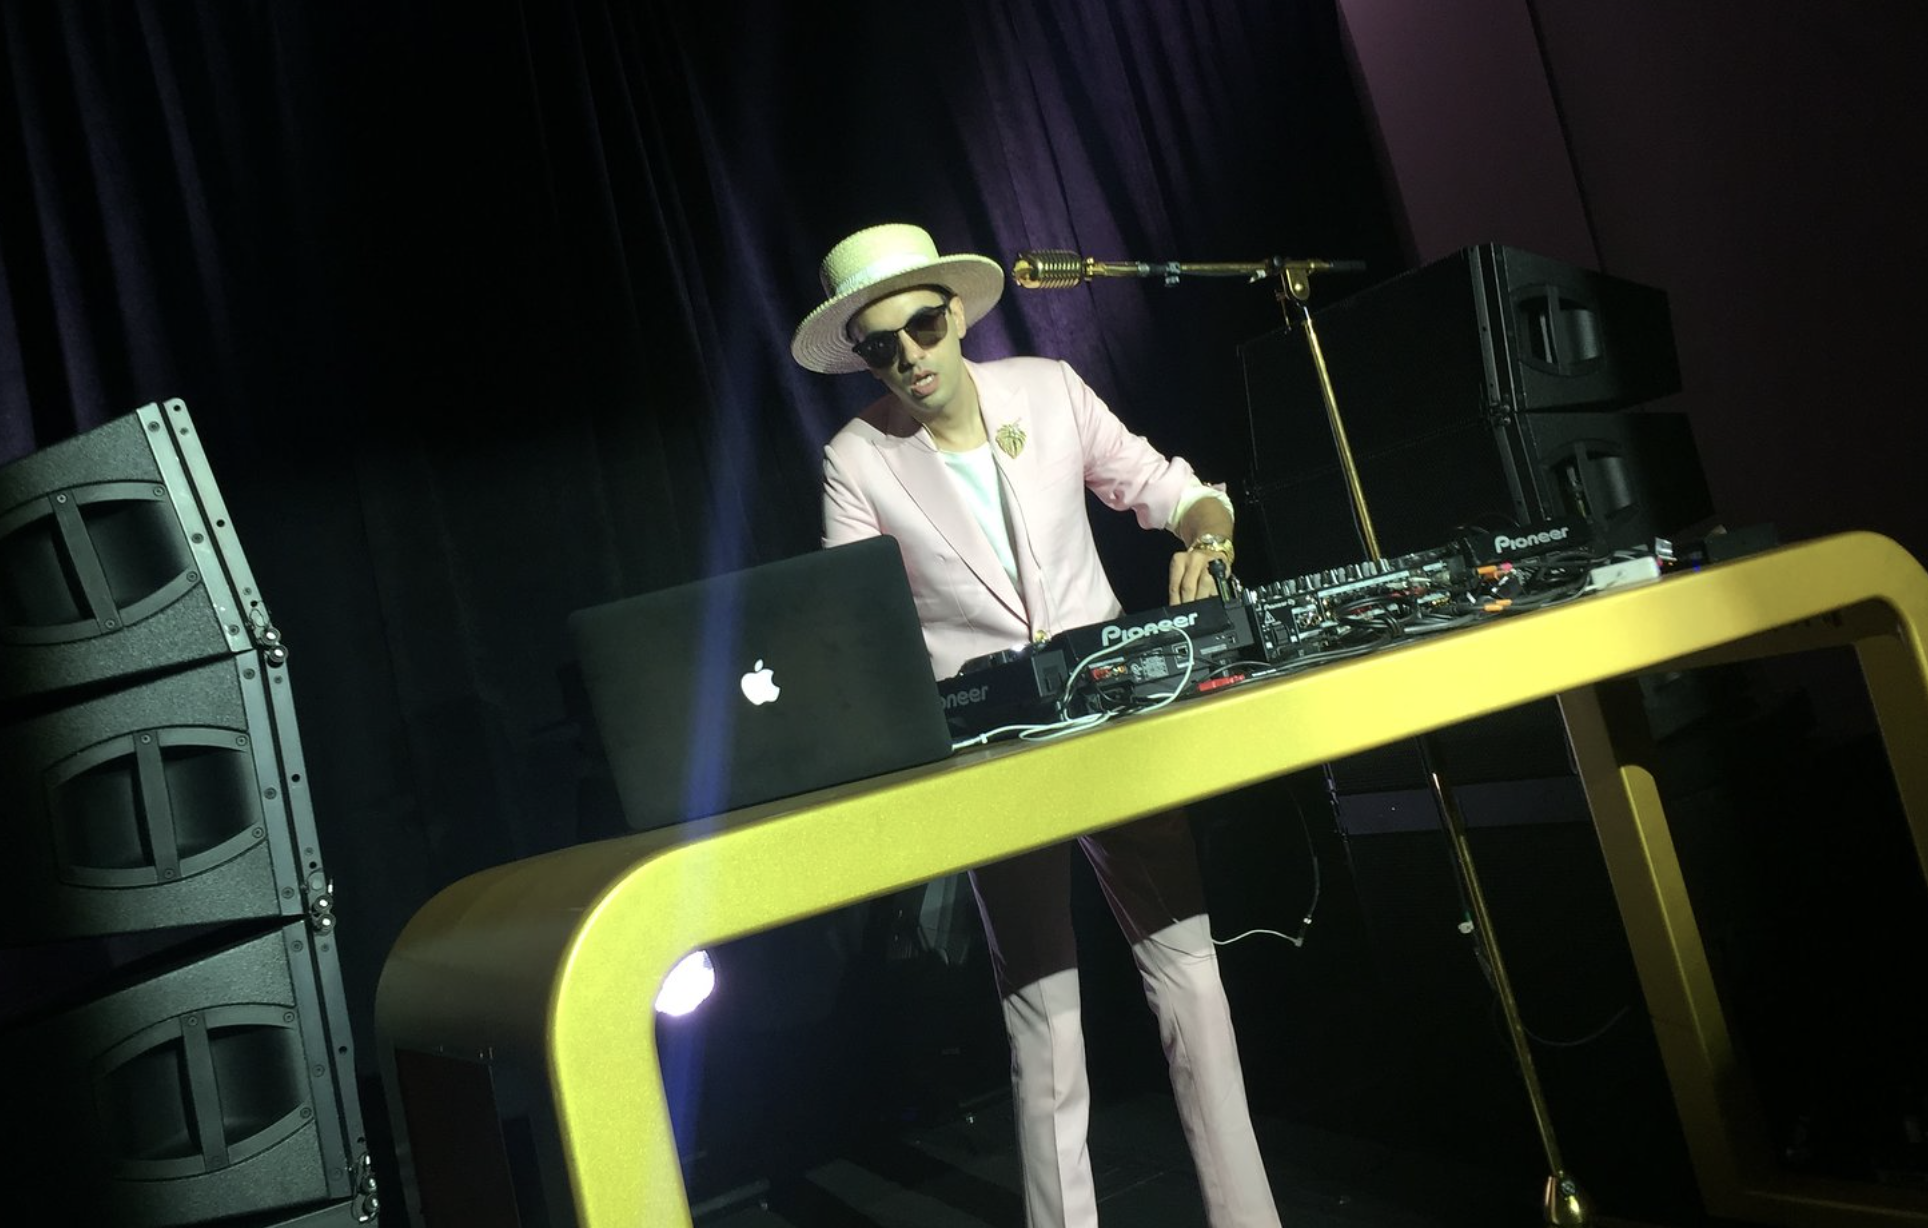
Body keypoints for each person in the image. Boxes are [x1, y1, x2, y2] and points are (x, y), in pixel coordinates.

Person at [790, 222, 1282, 1228]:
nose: (909, 357)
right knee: (1043, 1018)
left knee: (1191, 983)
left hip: (1113, 718)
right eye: (881, 347)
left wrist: (1210, 539)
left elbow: (1172, 491)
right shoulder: (857, 458)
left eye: (922, 327)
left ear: (956, 314)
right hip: (991, 757)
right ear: (863, 359)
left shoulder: (1048, 390)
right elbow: (850, 626)